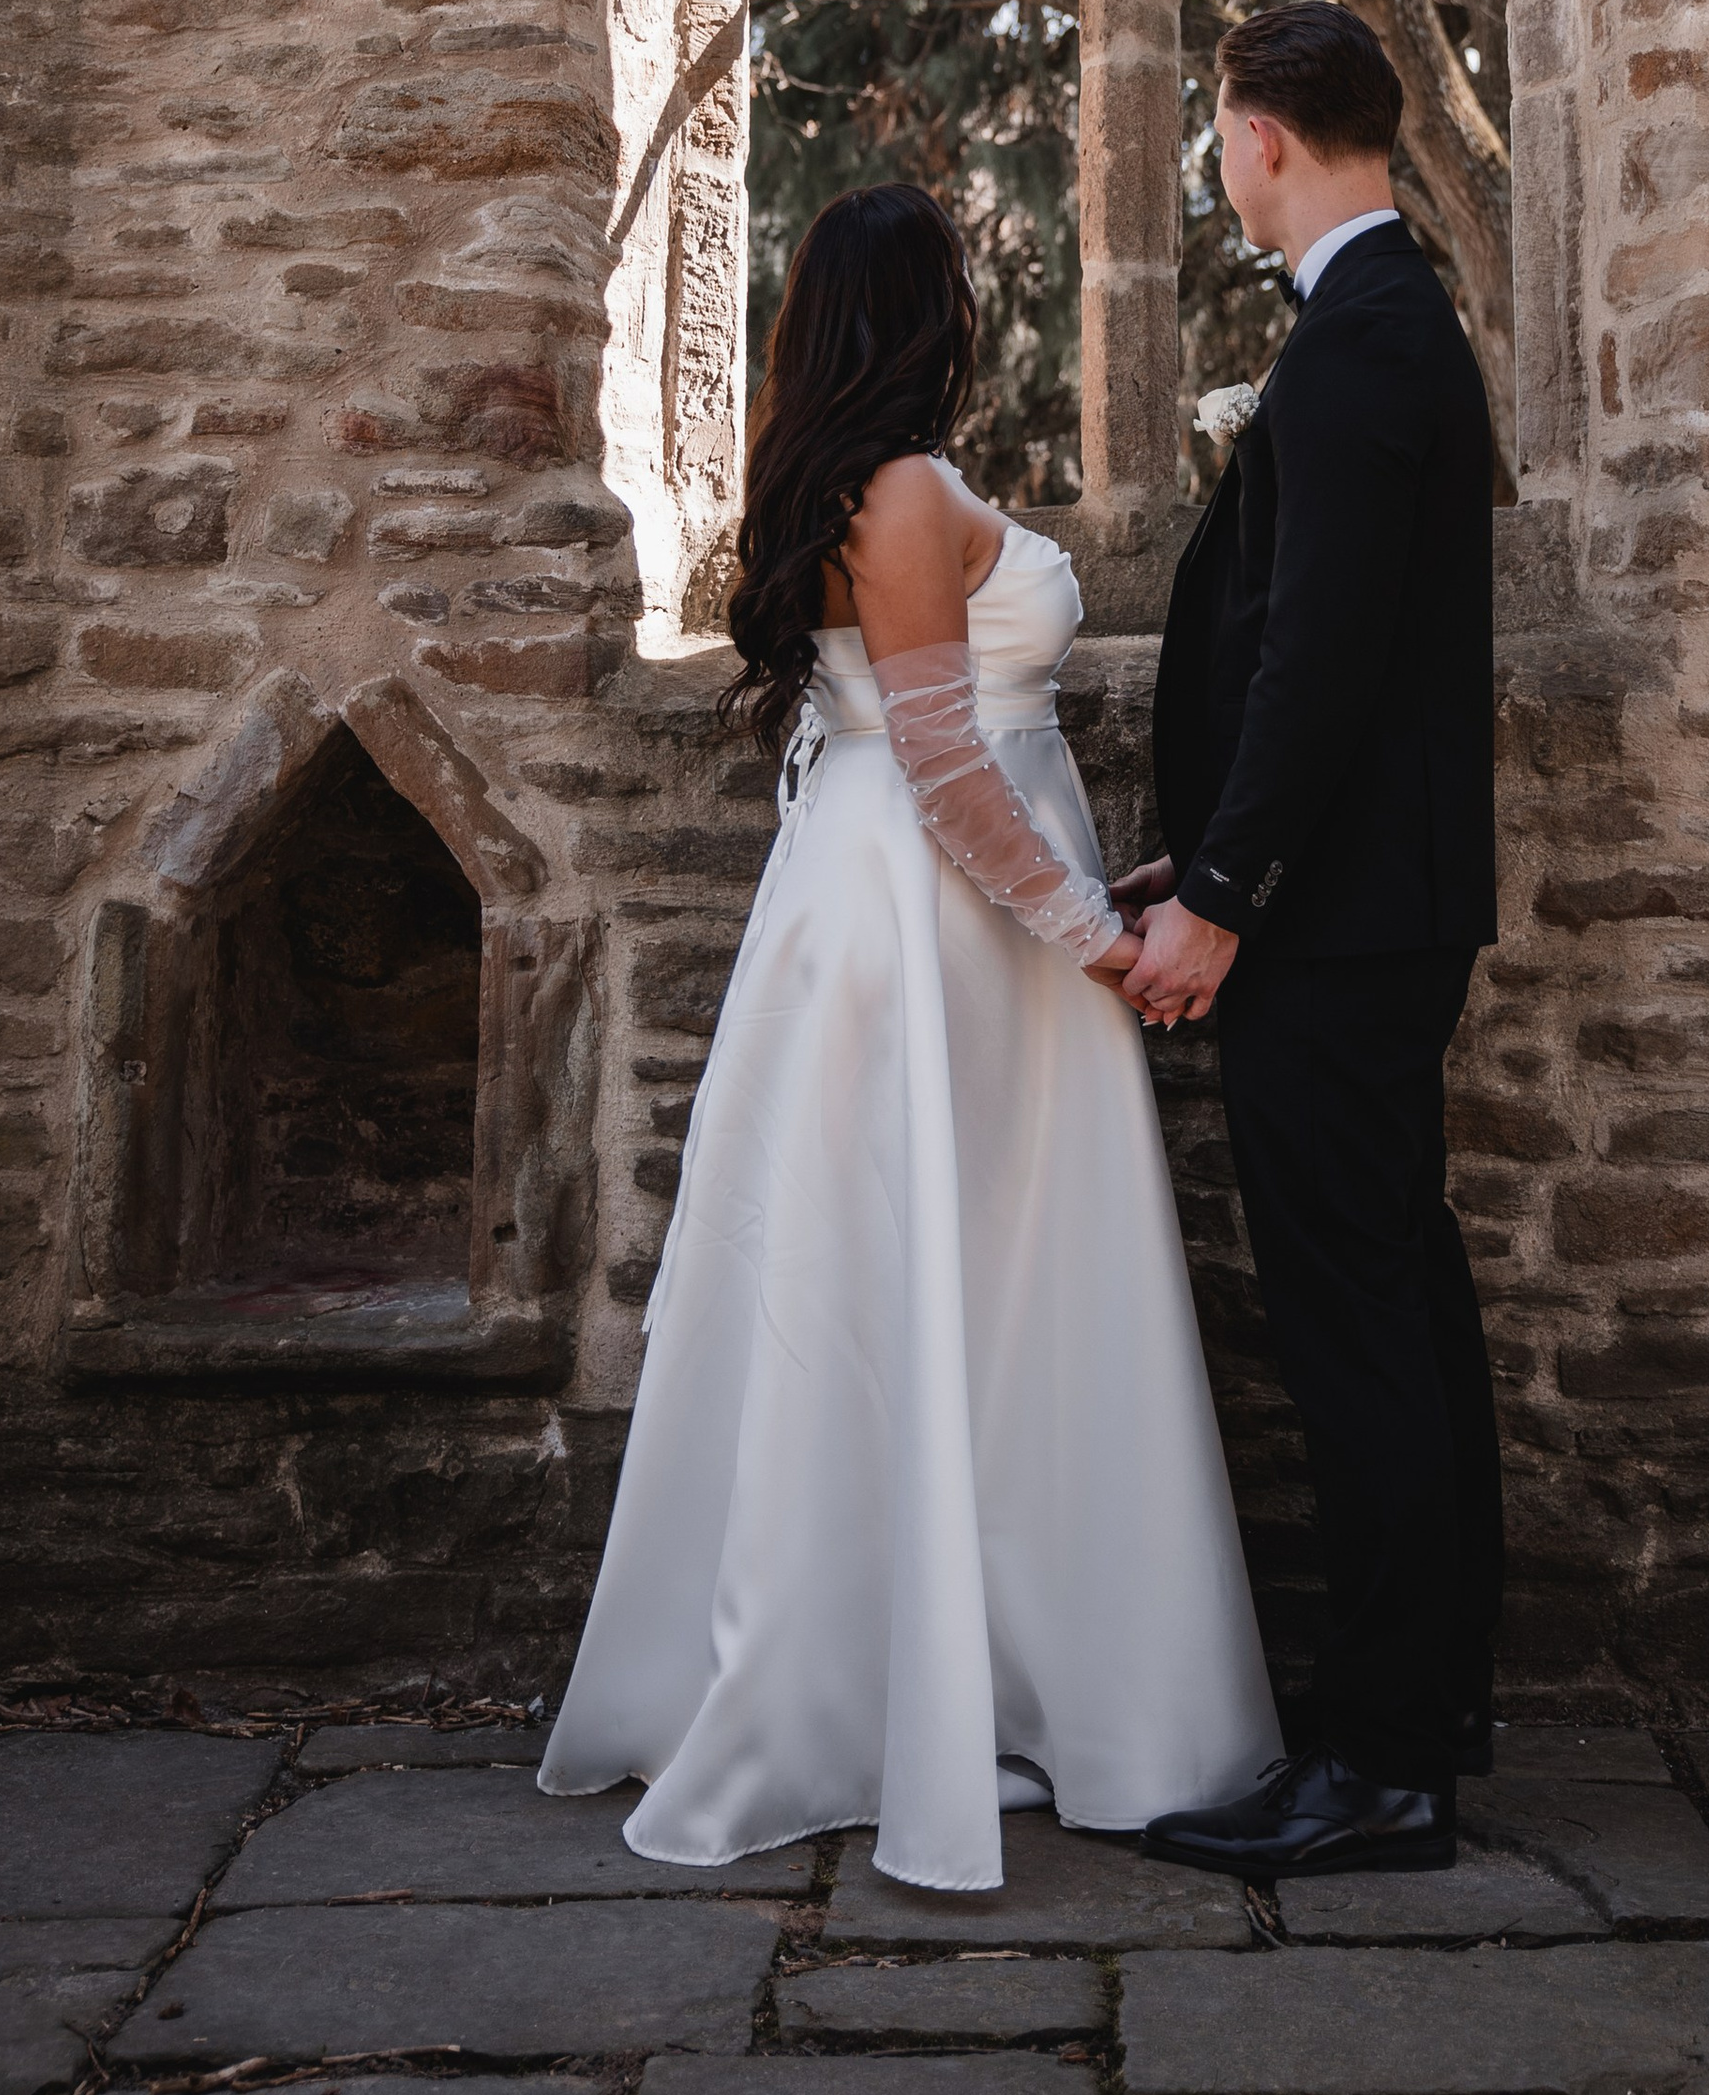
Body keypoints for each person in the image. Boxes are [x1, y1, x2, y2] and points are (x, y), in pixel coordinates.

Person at [540, 183, 1275, 1891]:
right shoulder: (899, 491)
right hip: (944, 924)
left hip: (923, 911)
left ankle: (988, 1672)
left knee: (977, 1291)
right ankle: (900, 1688)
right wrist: (1091, 929)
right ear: (923, 314)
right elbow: (946, 765)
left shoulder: (861, 484)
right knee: (928, 1283)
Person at [1113, 2, 1501, 1882]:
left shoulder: (1359, 350)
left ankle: (1383, 1761)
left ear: (1259, 136)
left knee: (1356, 1331)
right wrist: (1199, 857)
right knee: (1403, 1305)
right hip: (1357, 912)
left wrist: (1223, 902)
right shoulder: (1384, 325)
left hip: (1334, 937)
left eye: (1218, 135)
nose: (1218, 166)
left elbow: (1320, 665)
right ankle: (1436, 1707)